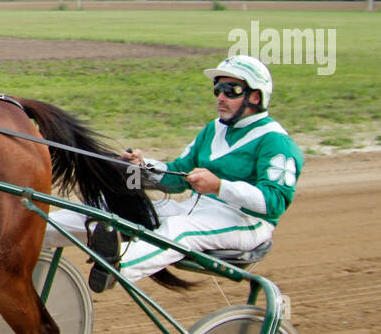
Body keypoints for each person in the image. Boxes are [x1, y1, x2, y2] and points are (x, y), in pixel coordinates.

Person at [45, 55, 303, 291]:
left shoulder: (276, 142)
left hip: (246, 223)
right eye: (218, 89)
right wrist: (140, 169)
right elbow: (177, 177)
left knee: (179, 229)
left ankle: (118, 266)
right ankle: (37, 234)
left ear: (255, 97)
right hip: (197, 208)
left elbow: (274, 203)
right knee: (105, 207)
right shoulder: (214, 130)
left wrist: (219, 186)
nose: (220, 97)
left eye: (231, 90)